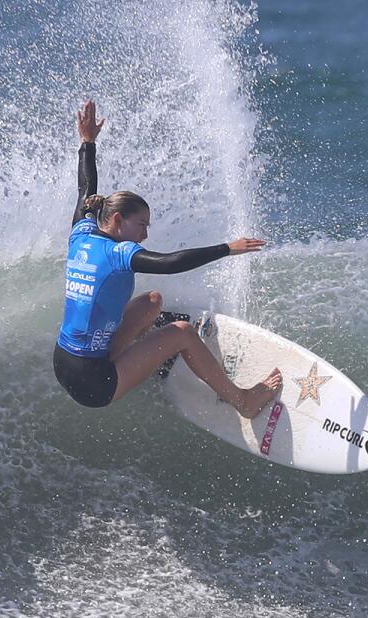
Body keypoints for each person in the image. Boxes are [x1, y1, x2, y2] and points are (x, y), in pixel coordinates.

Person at [54, 100, 283, 417]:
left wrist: (87, 143)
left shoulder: (82, 232)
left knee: (151, 302)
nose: (145, 235)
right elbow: (171, 262)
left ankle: (153, 355)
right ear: (118, 220)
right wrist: (228, 248)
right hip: (93, 383)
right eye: (141, 226)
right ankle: (243, 402)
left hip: (64, 362)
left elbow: (86, 188)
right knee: (182, 332)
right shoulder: (119, 253)